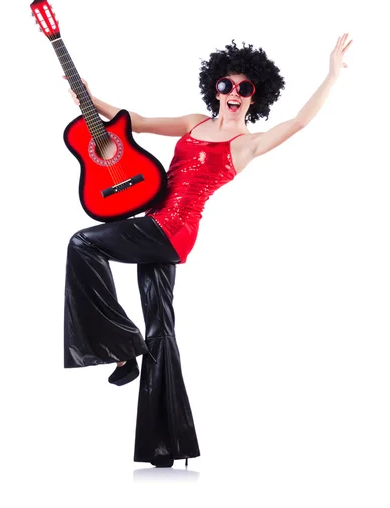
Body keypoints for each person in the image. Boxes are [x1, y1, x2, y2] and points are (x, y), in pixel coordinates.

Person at [63, 35, 352, 468]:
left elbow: (298, 123)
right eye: (226, 85)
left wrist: (331, 75)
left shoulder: (246, 145)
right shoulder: (194, 122)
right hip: (156, 225)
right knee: (161, 328)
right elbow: (136, 121)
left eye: (244, 88)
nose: (233, 93)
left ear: (256, 96)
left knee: (83, 242)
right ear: (214, 88)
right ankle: (166, 447)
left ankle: (122, 347)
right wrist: (88, 97)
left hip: (171, 231)